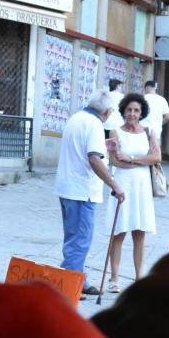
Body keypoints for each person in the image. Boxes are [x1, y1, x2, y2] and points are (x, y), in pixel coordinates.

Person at [55, 90, 125, 295]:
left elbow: (83, 149)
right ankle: (71, 285)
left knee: (73, 237)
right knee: (80, 239)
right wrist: (114, 184)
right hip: (81, 190)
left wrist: (104, 145)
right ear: (108, 111)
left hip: (68, 187)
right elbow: (94, 159)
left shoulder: (76, 118)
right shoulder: (95, 124)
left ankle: (76, 279)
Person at [102, 93, 160, 292]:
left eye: (136, 110)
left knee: (139, 234)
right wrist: (141, 159)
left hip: (142, 186)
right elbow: (115, 161)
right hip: (123, 184)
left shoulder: (149, 132)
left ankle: (139, 278)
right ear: (123, 111)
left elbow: (157, 157)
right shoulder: (115, 132)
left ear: (142, 112)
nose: (132, 114)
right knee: (118, 232)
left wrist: (132, 159)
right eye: (129, 110)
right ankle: (114, 278)